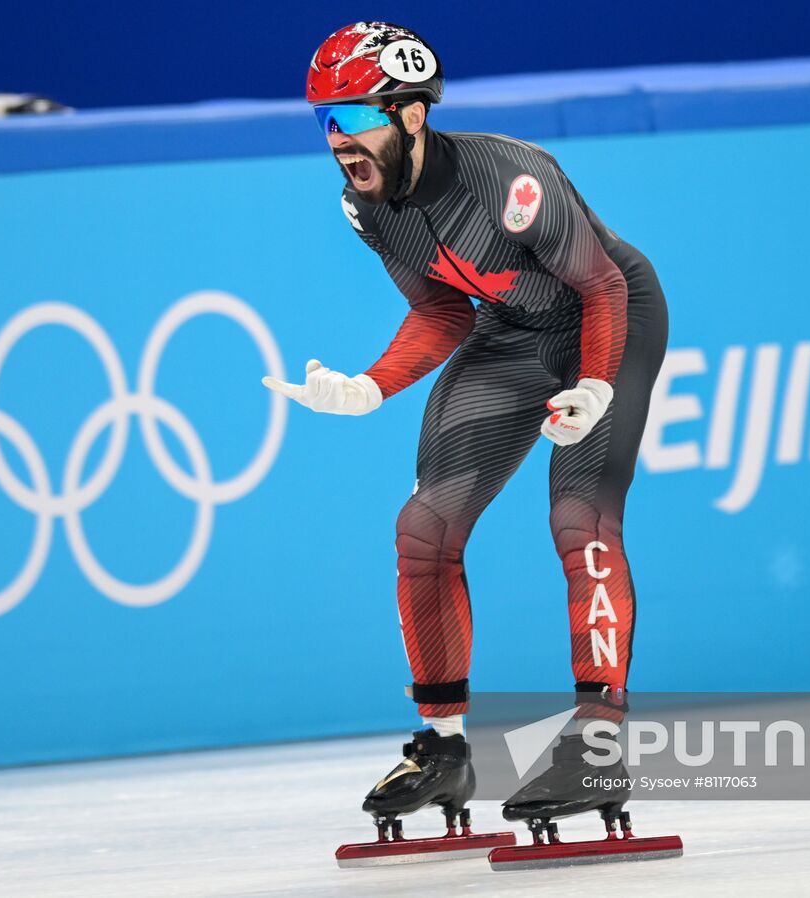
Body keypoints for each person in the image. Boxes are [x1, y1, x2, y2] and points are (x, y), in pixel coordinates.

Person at [264, 22, 669, 840]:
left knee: (579, 522)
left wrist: (594, 387)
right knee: (424, 529)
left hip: (609, 320)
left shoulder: (512, 179)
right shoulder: (365, 203)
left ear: (411, 115)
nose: (338, 139)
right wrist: (369, 387)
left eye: (352, 116)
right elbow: (441, 307)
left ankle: (598, 742)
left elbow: (599, 288)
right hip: (512, 335)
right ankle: (444, 749)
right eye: (323, 121)